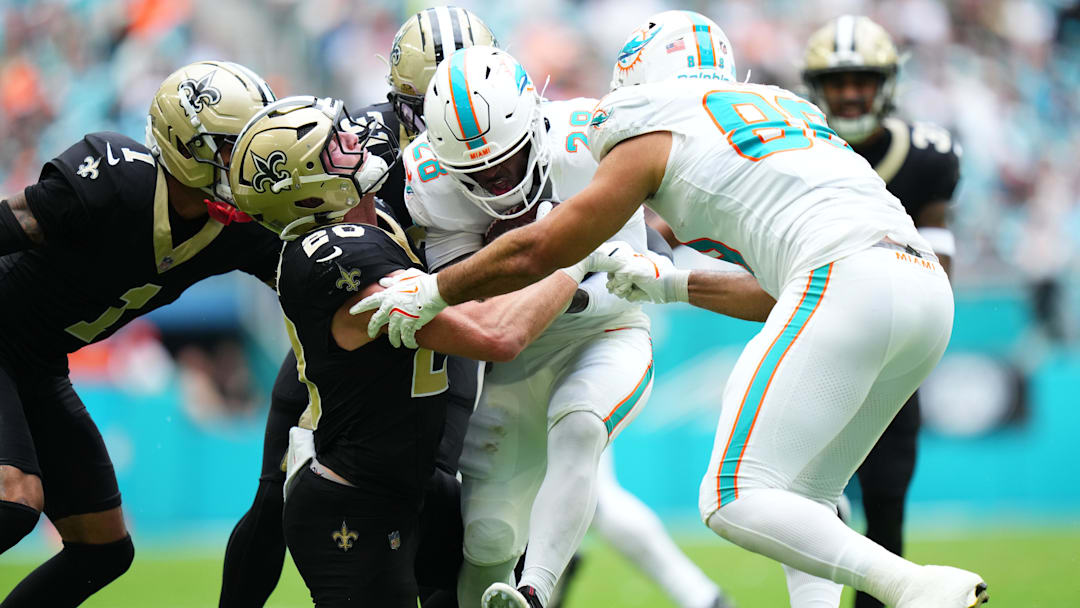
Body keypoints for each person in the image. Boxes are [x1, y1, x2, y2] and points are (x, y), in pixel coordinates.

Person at [355, 10, 988, 608]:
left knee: (733, 495)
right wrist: (671, 284)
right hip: (921, 285)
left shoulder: (642, 123)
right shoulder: (787, 109)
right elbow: (778, 295)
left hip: (838, 276)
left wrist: (435, 291)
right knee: (806, 495)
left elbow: (546, 247)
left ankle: (910, 586)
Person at [227, 94, 611, 607]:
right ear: (306, 192)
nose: (354, 143)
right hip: (352, 503)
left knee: (500, 563)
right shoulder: (330, 258)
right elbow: (497, 335)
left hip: (411, 484)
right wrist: (573, 256)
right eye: (333, 149)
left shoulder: (376, 221)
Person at [402, 45, 716, 608]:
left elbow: (609, 286)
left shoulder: (590, 138)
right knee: (488, 536)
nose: (498, 182)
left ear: (535, 124)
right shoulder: (433, 184)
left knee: (581, 428)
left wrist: (534, 266)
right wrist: (571, 257)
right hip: (512, 363)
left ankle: (538, 590)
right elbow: (476, 310)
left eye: (508, 160)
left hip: (607, 333)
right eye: (478, 173)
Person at [217, 8, 498, 607]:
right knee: (273, 501)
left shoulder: (507, 136)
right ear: (401, 101)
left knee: (442, 496)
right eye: (433, 104)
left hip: (434, 338)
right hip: (355, 340)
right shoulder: (349, 144)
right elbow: (290, 227)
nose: (453, 119)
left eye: (468, 98)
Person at [0, 60, 278, 607]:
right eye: (232, 146)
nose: (246, 162)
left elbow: (316, 275)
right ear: (185, 144)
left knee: (102, 548)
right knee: (13, 499)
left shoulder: (236, 230)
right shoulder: (113, 178)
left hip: (38, 362)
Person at [801, 15, 962, 608]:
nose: (848, 93)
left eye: (861, 79)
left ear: (887, 82)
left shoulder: (926, 159)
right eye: (837, 80)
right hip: (813, 348)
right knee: (810, 509)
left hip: (889, 358)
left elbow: (939, 274)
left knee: (887, 510)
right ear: (816, 86)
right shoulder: (799, 150)